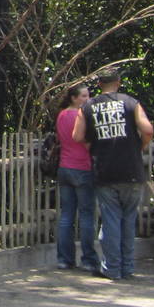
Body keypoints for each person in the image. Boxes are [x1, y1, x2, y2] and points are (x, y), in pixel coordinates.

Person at [71, 67, 153, 280]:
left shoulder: (88, 106)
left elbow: (77, 136)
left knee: (111, 221)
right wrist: (140, 146)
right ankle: (127, 267)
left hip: (105, 170)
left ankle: (112, 268)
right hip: (132, 169)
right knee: (128, 220)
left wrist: (93, 144)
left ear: (99, 85)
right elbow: (147, 129)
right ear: (119, 82)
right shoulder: (131, 103)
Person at [53, 82, 99, 272]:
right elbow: (86, 141)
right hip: (82, 167)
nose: (87, 99)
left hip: (65, 167)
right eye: (84, 96)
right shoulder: (81, 116)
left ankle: (64, 259)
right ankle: (88, 259)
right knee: (87, 215)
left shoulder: (61, 115)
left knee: (66, 215)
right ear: (74, 98)